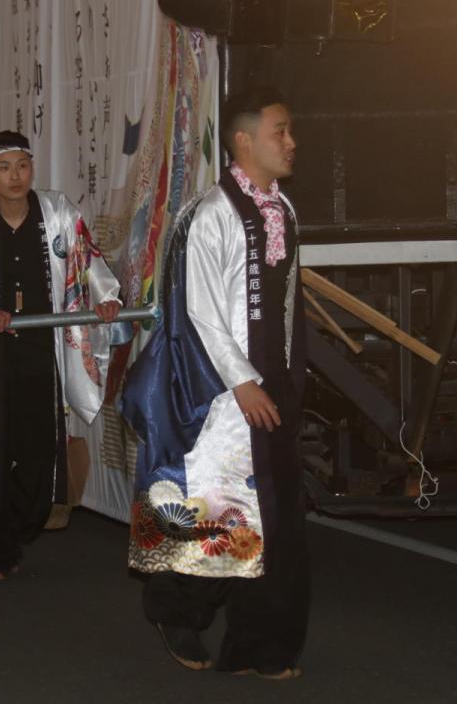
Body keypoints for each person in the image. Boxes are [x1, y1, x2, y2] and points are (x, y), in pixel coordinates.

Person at [121, 87, 308, 680]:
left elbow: (284, 309)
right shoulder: (212, 214)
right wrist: (245, 383)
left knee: (277, 523)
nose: (291, 142)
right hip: (222, 394)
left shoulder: (284, 210)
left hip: (272, 384)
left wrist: (286, 377)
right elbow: (201, 311)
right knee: (218, 517)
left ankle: (260, 645)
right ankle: (174, 610)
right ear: (243, 140)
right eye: (280, 131)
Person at [0, 130, 122, 580]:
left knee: (40, 445)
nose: (15, 176)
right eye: (4, 167)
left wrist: (105, 298)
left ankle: (23, 522)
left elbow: (87, 262)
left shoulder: (58, 210)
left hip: (44, 347)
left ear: (32, 169)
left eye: (22, 165)